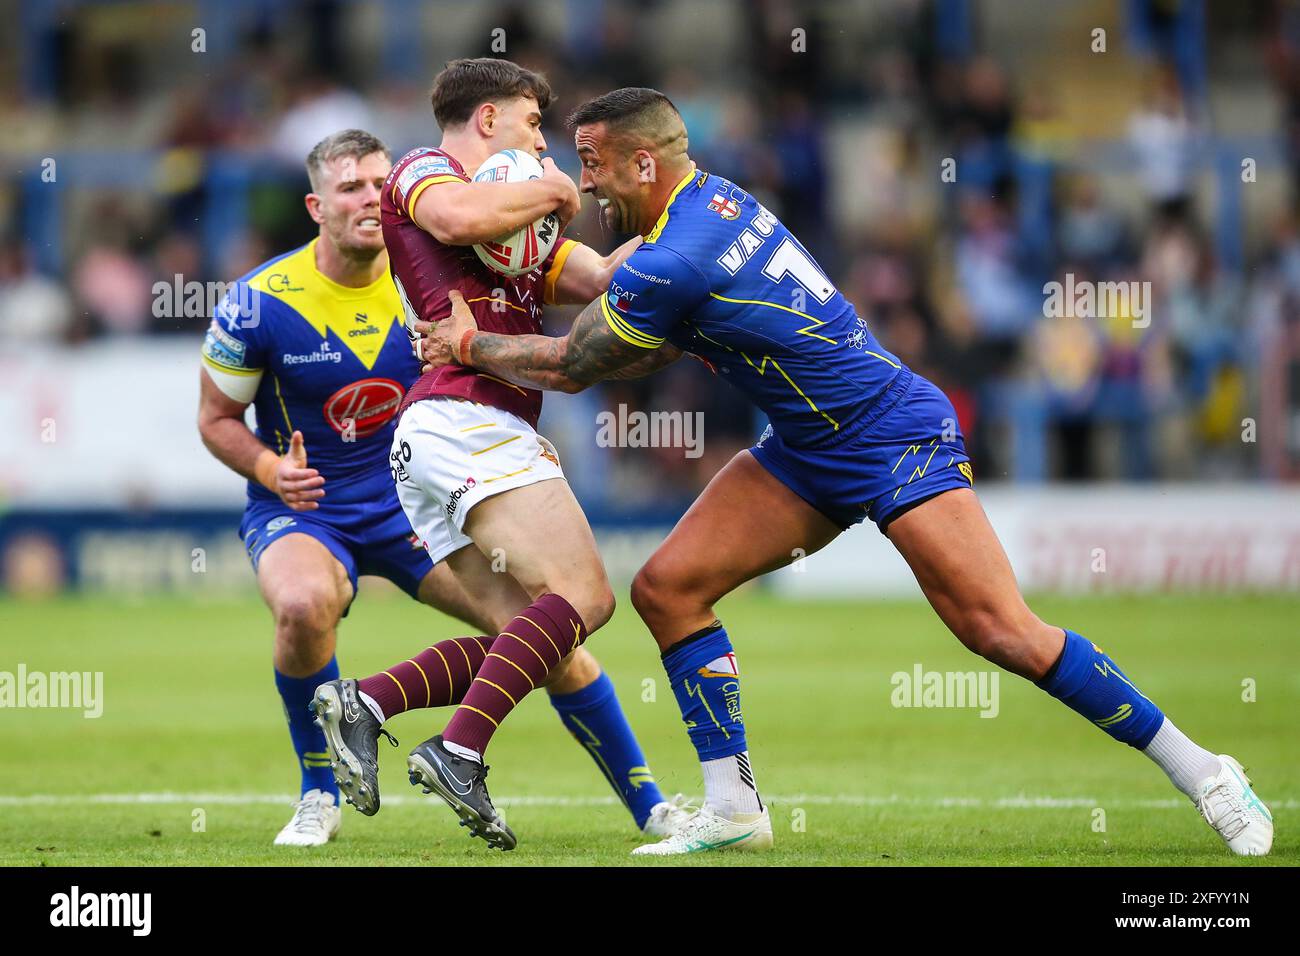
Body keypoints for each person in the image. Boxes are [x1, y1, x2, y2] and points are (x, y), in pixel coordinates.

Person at [415, 87, 1275, 857]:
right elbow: (639, 350)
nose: (586, 183)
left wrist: (469, 346)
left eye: (595, 164)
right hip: (807, 444)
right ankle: (734, 811)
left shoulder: (670, 257)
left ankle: (1205, 771)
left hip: (890, 433)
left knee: (999, 630)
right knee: (668, 589)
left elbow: (573, 365)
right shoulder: (710, 206)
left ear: (645, 161)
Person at [198, 127, 682, 847]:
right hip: (307, 507)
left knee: (547, 632)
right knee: (302, 605)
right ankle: (318, 793)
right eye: (350, 188)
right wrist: (272, 471)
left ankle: (651, 806)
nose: (370, 199)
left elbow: (597, 274)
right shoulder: (258, 301)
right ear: (315, 205)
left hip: (411, 498)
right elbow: (215, 419)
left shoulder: (442, 264)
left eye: (379, 184)